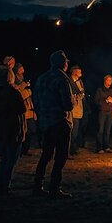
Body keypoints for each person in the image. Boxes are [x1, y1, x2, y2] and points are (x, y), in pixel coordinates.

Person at [33, 50, 74, 199]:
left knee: (46, 155)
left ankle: (37, 186)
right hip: (60, 122)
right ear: (63, 64)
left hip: (45, 123)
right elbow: (68, 105)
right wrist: (74, 100)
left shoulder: (41, 78)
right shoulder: (62, 79)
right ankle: (54, 189)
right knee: (61, 157)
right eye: (66, 62)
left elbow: (35, 101)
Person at [0, 68, 26, 196]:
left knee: (4, 158)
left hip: (0, 129)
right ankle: (5, 186)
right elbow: (22, 109)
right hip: (12, 129)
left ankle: (2, 185)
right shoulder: (13, 93)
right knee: (10, 160)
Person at [14, 63, 36, 156]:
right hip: (23, 109)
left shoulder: (23, 79)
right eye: (20, 67)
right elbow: (19, 94)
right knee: (24, 131)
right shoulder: (15, 80)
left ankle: (25, 149)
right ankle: (21, 150)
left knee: (31, 130)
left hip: (30, 108)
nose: (23, 68)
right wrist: (27, 90)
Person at [95, 74, 112, 154]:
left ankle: (106, 147)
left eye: (111, 80)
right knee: (100, 130)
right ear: (105, 81)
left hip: (110, 112)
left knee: (107, 131)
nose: (110, 82)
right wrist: (106, 101)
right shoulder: (100, 90)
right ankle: (99, 148)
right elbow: (96, 101)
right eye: (108, 80)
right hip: (102, 112)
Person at [69, 65, 85, 156]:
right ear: (74, 72)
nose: (81, 73)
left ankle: (73, 148)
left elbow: (82, 93)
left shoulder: (80, 82)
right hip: (72, 110)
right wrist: (78, 96)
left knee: (76, 131)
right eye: (79, 71)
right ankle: (69, 149)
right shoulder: (69, 82)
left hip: (79, 109)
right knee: (72, 131)